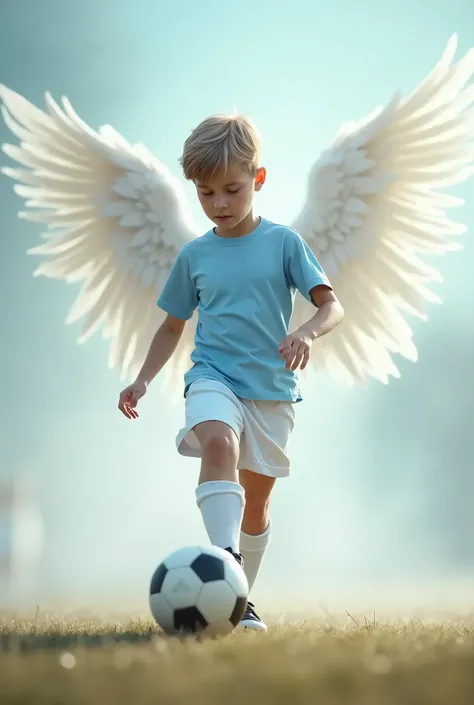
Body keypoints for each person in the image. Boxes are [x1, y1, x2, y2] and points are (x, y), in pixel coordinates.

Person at [118, 114, 344, 631]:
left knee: (257, 506)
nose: (219, 203)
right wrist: (143, 379)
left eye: (231, 189)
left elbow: (333, 307)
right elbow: (172, 328)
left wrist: (306, 333)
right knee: (220, 442)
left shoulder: (286, 244)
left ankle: (237, 601)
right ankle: (227, 565)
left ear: (258, 180)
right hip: (212, 377)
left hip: (272, 390)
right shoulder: (194, 255)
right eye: (206, 193)